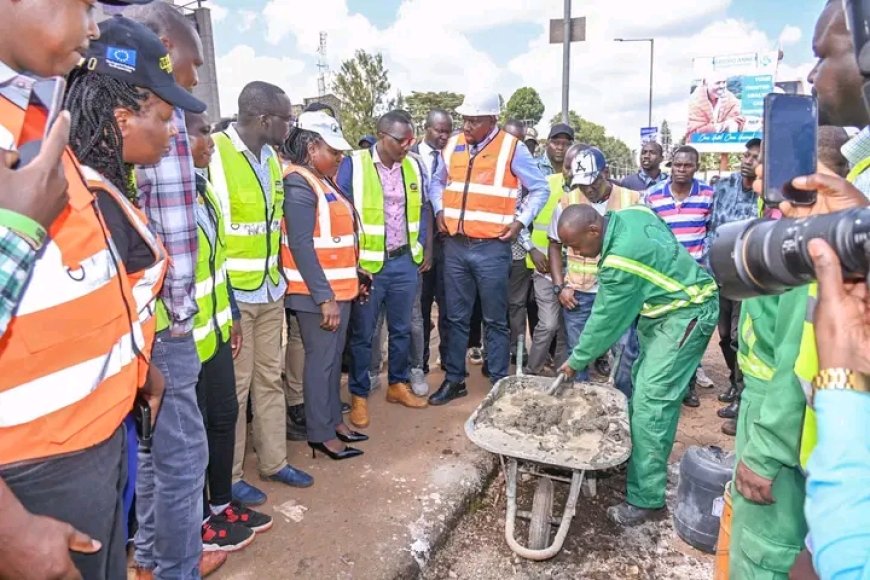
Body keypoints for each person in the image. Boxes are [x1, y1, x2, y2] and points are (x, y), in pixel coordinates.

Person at [0, 3, 172, 579]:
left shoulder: (30, 113)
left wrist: (134, 367)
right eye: (83, 4)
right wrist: (9, 528)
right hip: (31, 470)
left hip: (89, 438)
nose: (94, 26)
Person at [119, 5, 217, 577]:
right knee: (182, 462)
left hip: (162, 322)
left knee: (160, 457)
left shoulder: (167, 120)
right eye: (191, 60)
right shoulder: (145, 122)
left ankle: (153, 562)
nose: (197, 77)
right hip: (160, 325)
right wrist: (175, 318)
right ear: (157, 44)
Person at [555, 204, 718, 526]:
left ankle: (647, 499)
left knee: (650, 403)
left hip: (686, 313)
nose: (576, 253)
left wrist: (575, 362)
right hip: (668, 310)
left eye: (576, 246)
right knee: (642, 385)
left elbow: (604, 321)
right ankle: (637, 464)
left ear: (593, 230)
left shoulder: (619, 262)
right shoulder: (632, 215)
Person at [209, 81, 313, 506]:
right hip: (234, 296)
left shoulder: (272, 158)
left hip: (269, 290)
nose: (290, 126)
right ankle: (230, 477)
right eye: (287, 118)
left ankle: (273, 461)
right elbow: (213, 233)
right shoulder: (215, 153)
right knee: (235, 389)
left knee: (269, 380)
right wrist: (228, 305)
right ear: (265, 118)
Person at [186, 111, 273, 554]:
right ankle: (199, 520)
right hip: (185, 342)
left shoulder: (203, 192)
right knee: (193, 433)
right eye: (202, 132)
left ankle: (221, 505)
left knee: (223, 419)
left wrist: (233, 315)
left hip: (218, 331)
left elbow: (216, 266)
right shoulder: (164, 195)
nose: (211, 140)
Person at [428, 91, 549, 405]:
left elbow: (540, 188)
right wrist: (440, 209)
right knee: (454, 317)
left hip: (492, 248)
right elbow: (436, 182)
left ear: (492, 120)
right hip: (454, 244)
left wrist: (520, 222)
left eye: (474, 119)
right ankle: (455, 379)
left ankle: (497, 382)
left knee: (495, 318)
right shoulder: (453, 144)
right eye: (465, 118)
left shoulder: (513, 149)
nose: (466, 125)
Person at [281, 111, 367, 460]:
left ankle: (334, 421)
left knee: (332, 362)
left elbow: (337, 236)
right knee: (321, 364)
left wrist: (358, 273)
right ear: (313, 146)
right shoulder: (299, 182)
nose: (341, 157)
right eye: (334, 151)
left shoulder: (323, 178)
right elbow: (301, 245)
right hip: (316, 296)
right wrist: (324, 297)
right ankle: (319, 432)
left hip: (339, 291)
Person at [337, 111, 430, 429]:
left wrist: (424, 247)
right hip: (369, 266)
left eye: (411, 139)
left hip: (405, 261)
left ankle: (397, 385)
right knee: (365, 334)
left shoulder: (415, 165)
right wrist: (352, 263)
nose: (407, 145)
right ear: (381, 135)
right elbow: (341, 211)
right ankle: (359, 395)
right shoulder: (354, 164)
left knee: (402, 329)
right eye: (401, 140)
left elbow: (424, 207)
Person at [548, 147, 640, 395]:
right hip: (579, 292)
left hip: (620, 294)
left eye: (592, 183)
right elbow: (554, 246)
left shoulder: (632, 201)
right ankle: (582, 405)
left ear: (606, 173)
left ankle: (622, 401)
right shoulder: (568, 202)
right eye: (582, 184)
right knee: (578, 353)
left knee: (625, 351)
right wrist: (560, 286)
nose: (587, 190)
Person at [645, 145, 715, 406]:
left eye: (687, 165)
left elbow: (712, 231)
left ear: (696, 167)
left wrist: (703, 263)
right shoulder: (653, 196)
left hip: (695, 278)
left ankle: (688, 386)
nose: (681, 170)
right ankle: (662, 383)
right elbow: (649, 234)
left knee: (691, 334)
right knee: (663, 331)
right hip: (663, 279)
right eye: (677, 165)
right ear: (670, 166)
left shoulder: (708, 195)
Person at [705, 138, 761, 436]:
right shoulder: (723, 187)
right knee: (725, 336)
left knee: (741, 337)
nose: (748, 161)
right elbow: (710, 226)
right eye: (746, 155)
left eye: (755, 157)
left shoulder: (767, 194)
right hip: (721, 275)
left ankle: (742, 396)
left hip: (750, 280)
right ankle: (732, 378)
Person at [417, 109, 453, 377]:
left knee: (449, 305)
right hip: (418, 244)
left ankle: (448, 360)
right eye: (439, 130)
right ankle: (419, 360)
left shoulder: (453, 159)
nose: (443, 136)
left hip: (449, 242)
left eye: (447, 132)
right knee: (420, 306)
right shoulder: (409, 156)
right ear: (426, 128)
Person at [501, 119, 536, 364]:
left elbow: (522, 215)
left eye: (520, 142)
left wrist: (529, 246)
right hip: (490, 250)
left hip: (518, 253)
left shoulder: (530, 174)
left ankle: (517, 349)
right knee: (492, 306)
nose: (516, 146)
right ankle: (497, 351)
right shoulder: (490, 169)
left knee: (516, 305)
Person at [686, 72, 746, 139]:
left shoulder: (730, 98)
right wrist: (721, 126)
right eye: (718, 83)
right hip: (700, 145)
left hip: (726, 143)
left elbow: (738, 118)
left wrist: (733, 124)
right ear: (706, 84)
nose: (722, 86)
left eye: (724, 82)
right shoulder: (695, 102)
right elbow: (692, 132)